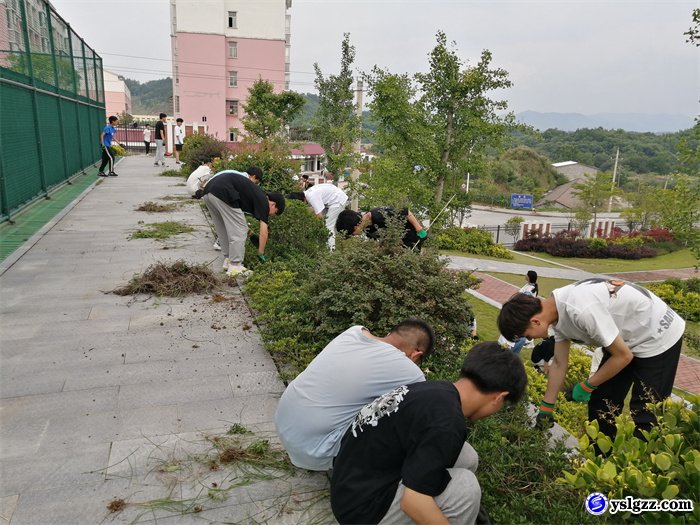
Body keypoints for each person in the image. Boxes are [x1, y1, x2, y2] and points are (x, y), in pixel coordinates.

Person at [330, 342, 527, 525]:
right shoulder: (448, 422)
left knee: (467, 457)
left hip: (350, 482)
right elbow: (413, 501)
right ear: (500, 397)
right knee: (466, 489)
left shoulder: (437, 390)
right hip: (361, 509)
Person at [497, 278, 685, 438]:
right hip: (625, 339)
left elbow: (623, 357)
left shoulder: (581, 309)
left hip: (658, 335)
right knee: (602, 402)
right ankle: (601, 460)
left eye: (528, 336)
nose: (532, 339)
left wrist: (587, 385)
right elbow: (559, 363)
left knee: (646, 413)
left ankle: (644, 474)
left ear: (535, 321)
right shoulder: (555, 313)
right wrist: (547, 406)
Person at [275, 320, 435, 471]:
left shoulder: (354, 332)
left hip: (284, 426)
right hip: (315, 450)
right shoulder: (410, 372)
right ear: (416, 354)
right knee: (398, 409)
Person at [198, 170, 285, 276]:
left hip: (209, 189)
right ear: (273, 205)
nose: (270, 215)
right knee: (241, 228)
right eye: (274, 213)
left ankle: (228, 259)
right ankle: (235, 266)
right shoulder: (263, 202)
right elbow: (264, 233)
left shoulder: (256, 194)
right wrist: (260, 253)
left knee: (223, 227)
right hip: (223, 191)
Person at [287, 182, 348, 249]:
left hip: (337, 201)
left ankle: (330, 251)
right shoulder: (308, 193)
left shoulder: (312, 197)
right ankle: (326, 246)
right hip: (331, 201)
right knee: (327, 225)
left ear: (302, 201)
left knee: (328, 227)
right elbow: (315, 211)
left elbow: (320, 217)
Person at [335, 207, 427, 249]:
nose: (354, 236)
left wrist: (419, 229)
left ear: (355, 227)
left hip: (412, 234)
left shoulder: (378, 214)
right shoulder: (368, 230)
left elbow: (406, 212)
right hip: (397, 242)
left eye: (352, 234)